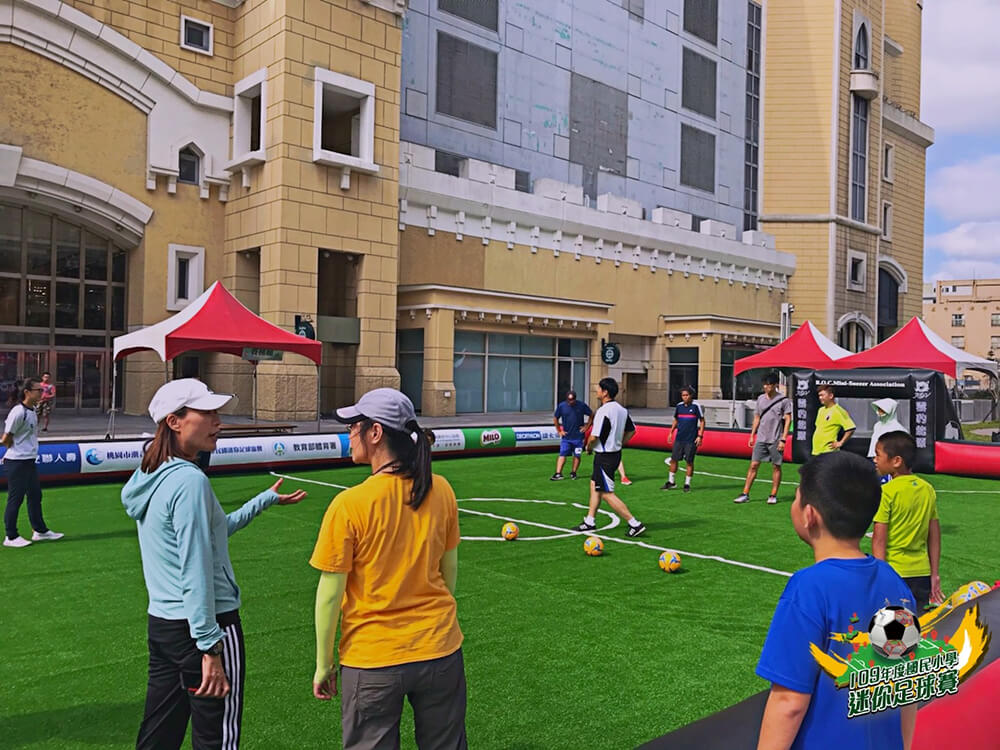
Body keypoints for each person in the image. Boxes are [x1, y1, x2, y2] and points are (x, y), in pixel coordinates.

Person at [121, 378, 306, 750]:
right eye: (207, 413)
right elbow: (196, 566)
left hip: (165, 627)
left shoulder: (152, 474)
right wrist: (210, 647)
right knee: (217, 738)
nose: (218, 422)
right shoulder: (188, 481)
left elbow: (211, 535)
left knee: (159, 734)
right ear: (174, 422)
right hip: (207, 627)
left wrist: (263, 501)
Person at [311, 388, 468, 749]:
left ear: (376, 432)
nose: (350, 434)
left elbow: (330, 595)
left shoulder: (349, 504)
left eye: (354, 426)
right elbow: (449, 572)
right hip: (439, 650)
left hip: (373, 659)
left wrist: (324, 663)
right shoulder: (441, 490)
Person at [755, 451, 917, 750]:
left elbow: (789, 701)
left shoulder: (808, 588)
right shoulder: (895, 583)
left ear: (809, 515)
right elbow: (907, 689)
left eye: (797, 497)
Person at [871, 431, 943, 613]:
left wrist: (880, 575)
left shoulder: (886, 492)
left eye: (878, 455)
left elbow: (879, 539)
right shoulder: (927, 489)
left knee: (891, 625)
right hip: (922, 572)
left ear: (896, 461)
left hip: (894, 572)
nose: (874, 459)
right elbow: (934, 535)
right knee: (918, 624)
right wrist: (934, 573)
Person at [573, 378, 645, 537]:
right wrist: (619, 443)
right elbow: (632, 430)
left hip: (604, 457)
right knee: (594, 485)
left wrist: (588, 447)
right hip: (614, 454)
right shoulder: (622, 410)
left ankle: (634, 523)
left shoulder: (603, 411)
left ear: (605, 392)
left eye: (599, 388)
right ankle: (590, 521)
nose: (596, 390)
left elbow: (594, 436)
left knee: (606, 492)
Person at [3, 377, 63, 548]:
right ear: (27, 392)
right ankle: (11, 536)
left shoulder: (32, 410)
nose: (42, 392)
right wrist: (18, 449)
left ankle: (40, 530)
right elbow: (6, 438)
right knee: (16, 498)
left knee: (35, 495)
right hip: (17, 462)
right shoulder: (18, 412)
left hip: (29, 460)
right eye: (38, 390)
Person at [734, 372, 792, 505]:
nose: (766, 387)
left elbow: (788, 419)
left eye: (769, 385)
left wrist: (783, 439)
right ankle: (745, 493)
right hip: (761, 437)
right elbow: (757, 417)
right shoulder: (760, 399)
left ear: (775, 385)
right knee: (753, 465)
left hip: (776, 438)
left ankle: (773, 494)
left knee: (776, 466)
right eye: (765, 384)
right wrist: (752, 435)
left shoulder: (783, 400)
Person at [662, 386, 705, 492]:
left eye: (686, 395)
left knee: (689, 461)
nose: (684, 397)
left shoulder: (696, 406)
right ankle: (671, 482)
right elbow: (676, 420)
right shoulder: (679, 406)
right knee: (674, 459)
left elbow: (702, 421)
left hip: (691, 439)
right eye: (683, 395)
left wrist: (700, 436)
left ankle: (687, 484)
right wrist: (671, 432)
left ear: (691, 395)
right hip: (679, 438)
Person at [551, 389, 592, 480]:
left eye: (572, 400)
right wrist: (559, 430)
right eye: (569, 400)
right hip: (566, 437)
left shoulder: (581, 405)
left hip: (578, 437)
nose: (571, 402)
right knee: (562, 453)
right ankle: (558, 473)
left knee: (577, 455)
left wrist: (587, 427)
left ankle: (573, 472)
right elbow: (555, 418)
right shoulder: (562, 406)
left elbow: (591, 414)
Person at [811, 384, 855, 456]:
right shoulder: (821, 410)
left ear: (831, 396)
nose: (820, 398)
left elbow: (851, 428)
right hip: (816, 450)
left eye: (822, 395)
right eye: (819, 395)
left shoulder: (838, 410)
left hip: (828, 451)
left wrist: (840, 443)